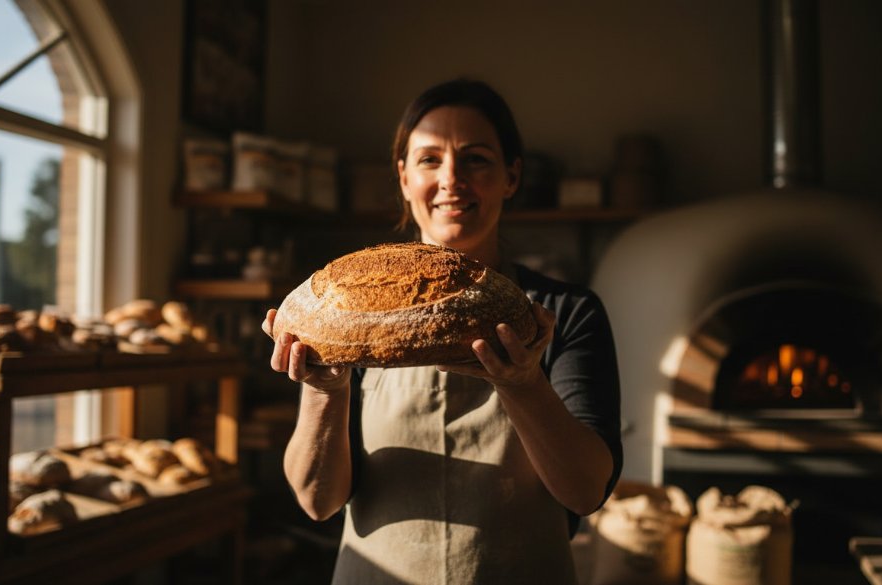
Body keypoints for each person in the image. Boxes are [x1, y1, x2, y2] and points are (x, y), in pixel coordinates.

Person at [262, 79, 622, 584]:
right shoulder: (351, 319)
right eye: (430, 159)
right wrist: (326, 390)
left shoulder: (560, 313)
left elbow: (586, 491)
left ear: (511, 176)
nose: (452, 178)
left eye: (476, 159)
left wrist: (523, 384)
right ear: (404, 178)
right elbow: (317, 501)